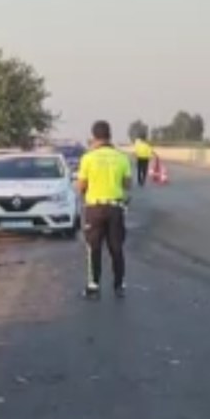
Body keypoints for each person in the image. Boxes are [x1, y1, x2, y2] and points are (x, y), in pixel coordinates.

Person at [76, 120, 133, 299]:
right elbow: (128, 184)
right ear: (110, 135)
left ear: (94, 137)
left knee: (94, 247)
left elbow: (81, 186)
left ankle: (94, 286)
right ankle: (119, 285)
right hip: (115, 208)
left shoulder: (88, 158)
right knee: (116, 247)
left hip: (95, 209)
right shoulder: (121, 157)